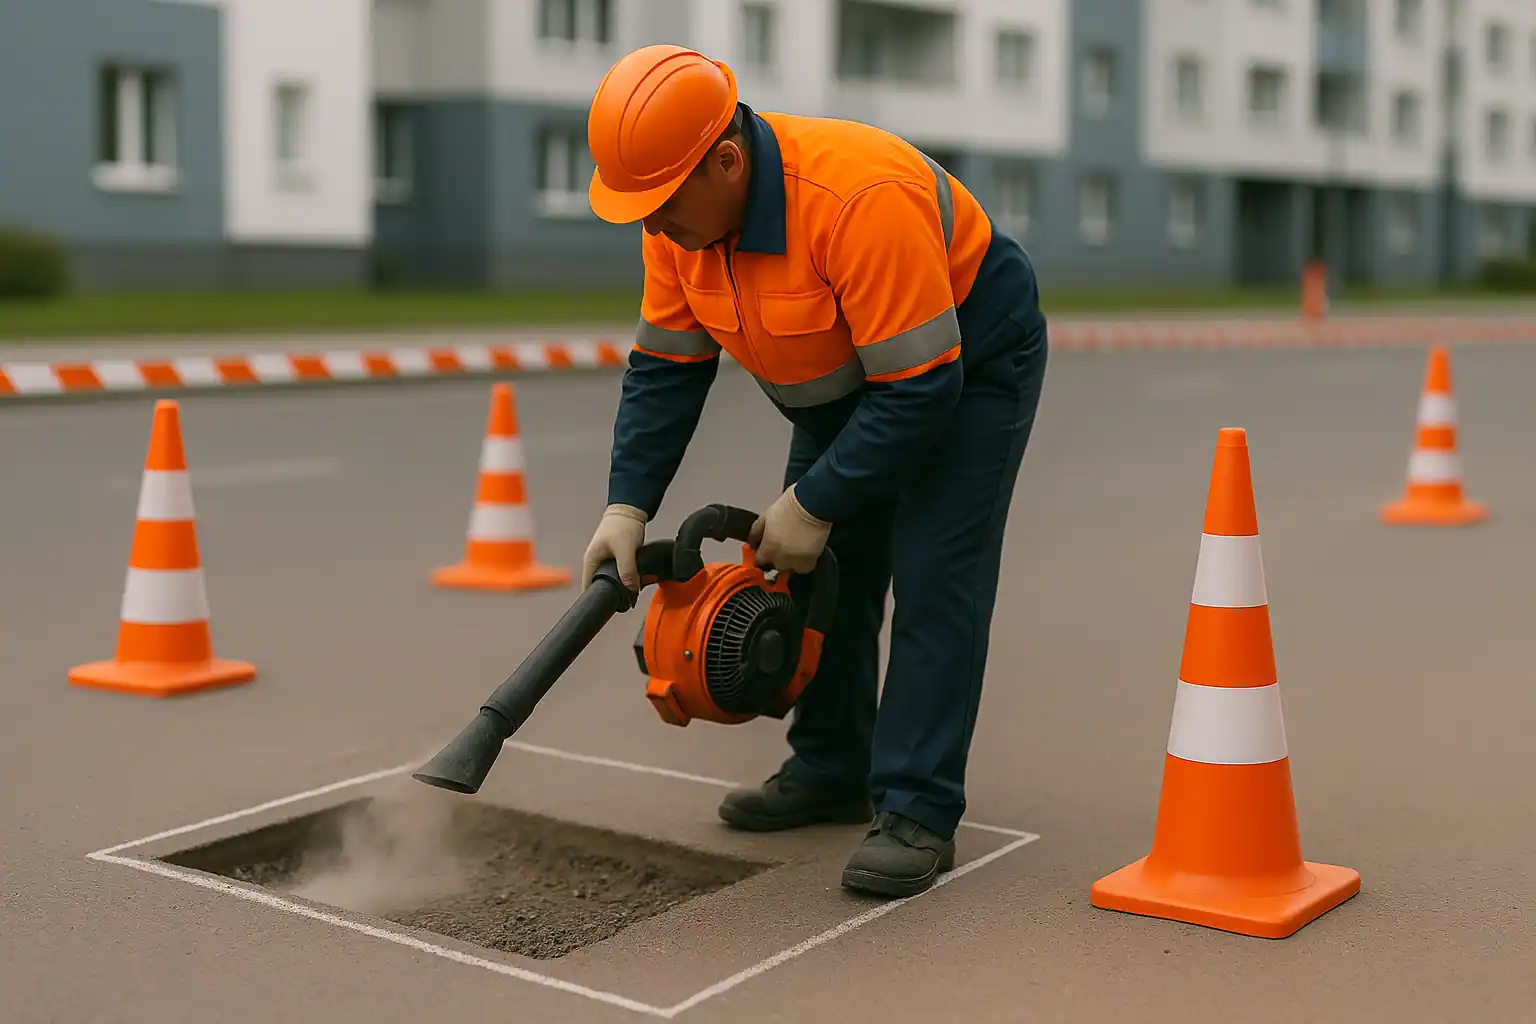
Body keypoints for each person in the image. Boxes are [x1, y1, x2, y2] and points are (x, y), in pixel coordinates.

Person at [579, 44, 1049, 898]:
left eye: (660, 204)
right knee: (818, 570)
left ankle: (916, 808)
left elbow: (919, 390)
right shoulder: (680, 226)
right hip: (849, 380)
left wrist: (818, 497)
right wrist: (627, 506)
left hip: (964, 364)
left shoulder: (852, 198)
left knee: (935, 573)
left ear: (727, 161)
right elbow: (665, 370)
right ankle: (833, 765)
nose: (651, 227)